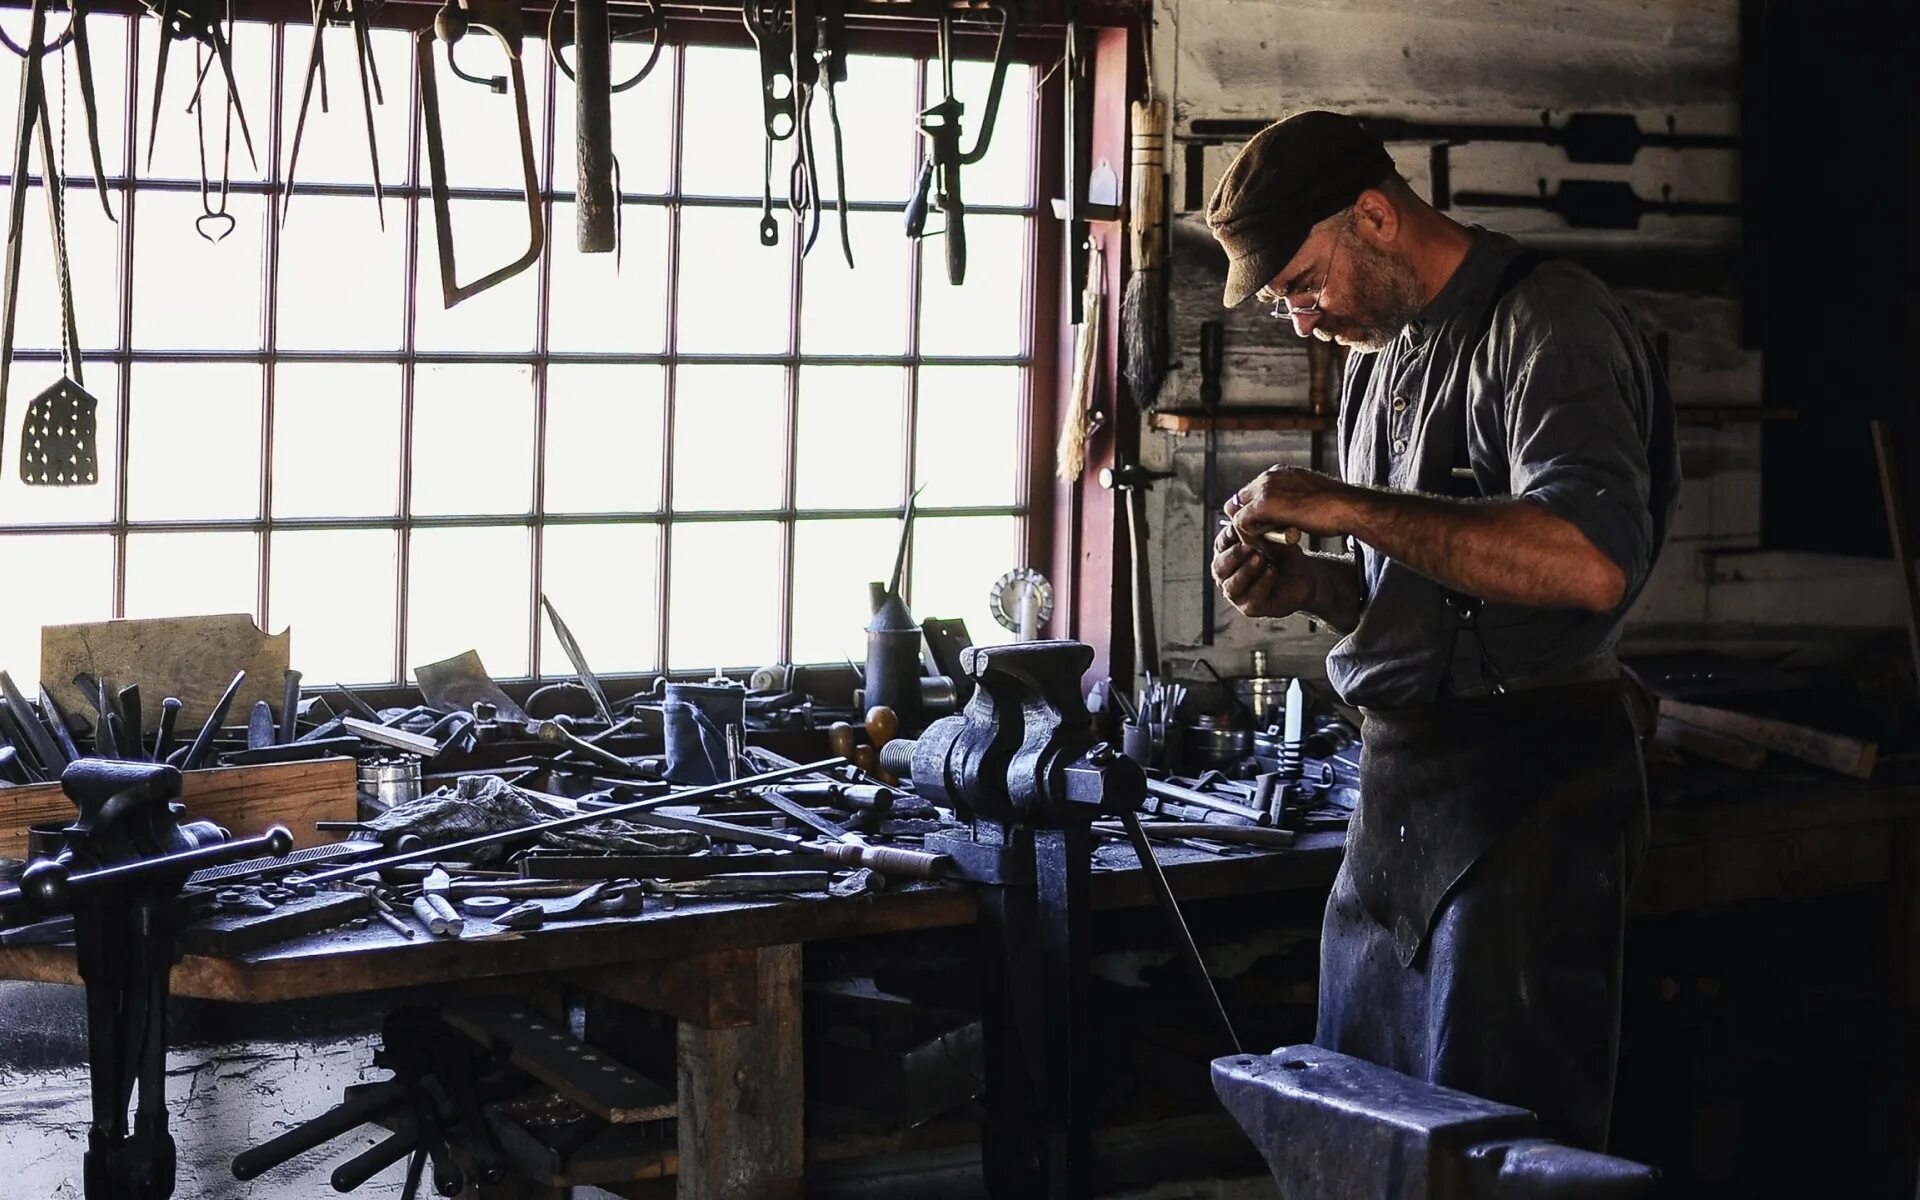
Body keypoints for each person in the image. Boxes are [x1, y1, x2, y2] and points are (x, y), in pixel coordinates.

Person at [1203, 110, 1680, 1150]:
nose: (1300, 321)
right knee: (1367, 1134)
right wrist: (1313, 585)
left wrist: (1350, 505)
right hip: (1402, 803)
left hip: (1529, 798)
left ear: (1373, 215)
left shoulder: (1547, 321)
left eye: (1300, 284)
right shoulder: (1380, 362)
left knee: (1492, 1151)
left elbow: (1587, 563)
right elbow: (1427, 594)